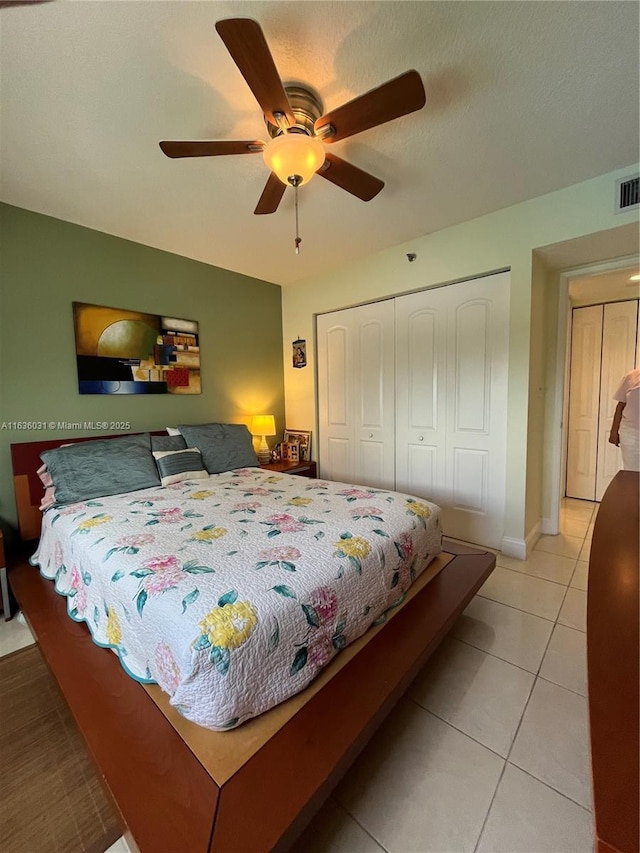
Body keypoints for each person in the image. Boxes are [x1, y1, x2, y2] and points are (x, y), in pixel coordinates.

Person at [609, 367, 640, 471]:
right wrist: (614, 432)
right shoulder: (631, 377)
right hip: (631, 434)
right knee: (632, 472)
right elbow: (620, 406)